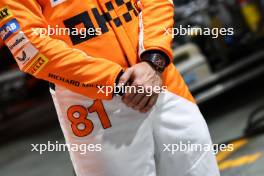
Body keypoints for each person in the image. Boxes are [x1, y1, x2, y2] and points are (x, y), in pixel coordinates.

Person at [0, 0, 220, 175]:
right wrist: (116, 81)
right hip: (95, 110)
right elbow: (28, 45)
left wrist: (154, 59)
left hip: (161, 84)